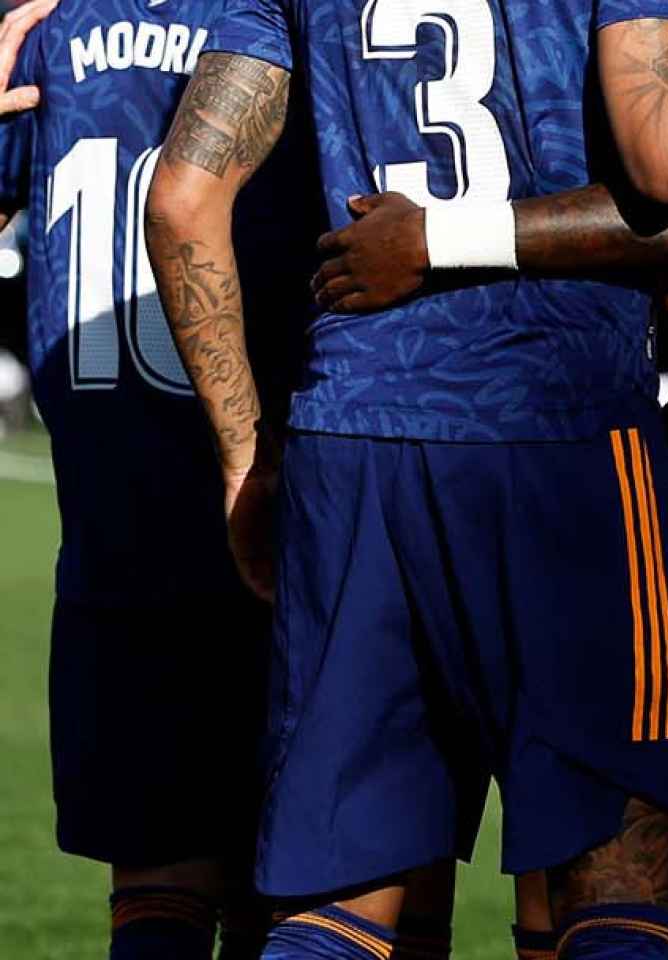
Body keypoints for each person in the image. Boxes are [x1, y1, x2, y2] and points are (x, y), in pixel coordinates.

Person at [142, 2, 668, 959]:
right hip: (568, 434)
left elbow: (183, 197)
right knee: (615, 872)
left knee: (337, 895)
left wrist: (242, 451)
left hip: (355, 434)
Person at [0, 0, 410, 957]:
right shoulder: (291, 17)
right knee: (334, 887)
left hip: (119, 512)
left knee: (162, 886)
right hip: (287, 498)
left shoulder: (59, 30)